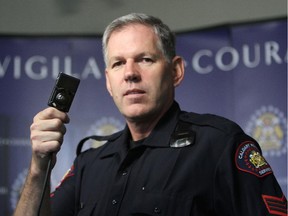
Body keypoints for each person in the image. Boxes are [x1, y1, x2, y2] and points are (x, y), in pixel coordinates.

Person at [14, 13, 287, 216]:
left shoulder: (220, 145)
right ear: (109, 82)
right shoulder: (90, 164)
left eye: (145, 59)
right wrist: (39, 166)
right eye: (119, 63)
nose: (131, 73)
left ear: (175, 71)